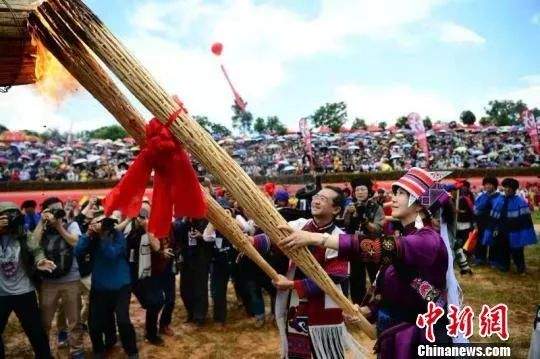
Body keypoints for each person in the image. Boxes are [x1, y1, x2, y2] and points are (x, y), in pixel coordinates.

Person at [279, 168, 459, 358]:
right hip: (396, 336)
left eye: (401, 194)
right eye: (395, 192)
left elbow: (377, 246)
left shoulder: (427, 240)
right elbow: (396, 288)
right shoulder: (406, 236)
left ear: (420, 205)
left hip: (419, 339)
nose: (394, 198)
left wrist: (318, 239)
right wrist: (368, 310)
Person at [252, 186, 360, 358]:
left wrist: (292, 284)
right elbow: (274, 238)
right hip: (297, 306)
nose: (316, 200)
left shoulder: (339, 238)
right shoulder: (299, 225)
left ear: (336, 209)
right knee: (297, 353)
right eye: (316, 196)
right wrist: (251, 241)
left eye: (323, 199)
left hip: (325, 309)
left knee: (326, 354)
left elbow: (334, 278)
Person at [74, 212, 138, 358]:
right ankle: (100, 349)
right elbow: (78, 251)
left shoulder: (118, 236)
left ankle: (132, 350)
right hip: (100, 286)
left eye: (107, 223)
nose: (104, 226)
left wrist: (103, 237)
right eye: (100, 222)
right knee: (95, 322)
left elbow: (112, 255)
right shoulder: (92, 237)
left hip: (121, 285)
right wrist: (88, 234)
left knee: (122, 319)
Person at [0, 202, 56, 359]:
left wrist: (40, 261)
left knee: (36, 331)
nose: (10, 220)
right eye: (6, 216)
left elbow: (36, 249)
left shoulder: (24, 234)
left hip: (24, 292)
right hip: (1, 294)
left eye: (13, 216)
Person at [32, 197, 84, 358]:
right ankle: (43, 352)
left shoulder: (71, 224)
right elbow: (33, 243)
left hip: (71, 279)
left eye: (59, 208)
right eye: (53, 209)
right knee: (45, 322)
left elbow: (75, 242)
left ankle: (77, 351)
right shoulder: (42, 226)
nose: (58, 212)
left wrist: (59, 225)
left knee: (74, 320)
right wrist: (42, 222)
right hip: (48, 282)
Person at [343, 177, 384, 305]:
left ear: (369, 192)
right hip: (355, 246)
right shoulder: (350, 207)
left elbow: (378, 228)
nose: (360, 192)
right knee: (356, 278)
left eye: (363, 189)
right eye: (357, 190)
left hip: (372, 245)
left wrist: (365, 221)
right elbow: (344, 225)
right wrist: (348, 214)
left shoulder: (376, 207)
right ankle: (358, 305)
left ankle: (378, 305)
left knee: (375, 276)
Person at [483, 178, 537, 274]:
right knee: (502, 248)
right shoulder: (499, 200)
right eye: (505, 188)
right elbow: (494, 215)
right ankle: (504, 266)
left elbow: (525, 219)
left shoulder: (520, 201)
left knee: (517, 250)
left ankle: (520, 268)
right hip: (501, 230)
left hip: (515, 231)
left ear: (514, 190)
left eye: (509, 188)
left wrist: (522, 233)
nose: (507, 190)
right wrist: (494, 228)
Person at [175, 217, 213, 327]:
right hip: (186, 260)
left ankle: (200, 316)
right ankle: (190, 313)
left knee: (200, 288)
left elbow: (211, 239)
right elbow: (177, 236)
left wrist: (201, 236)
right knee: (185, 289)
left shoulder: (204, 221)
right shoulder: (183, 222)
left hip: (200, 259)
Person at [474, 176, 501, 265]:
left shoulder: (499, 197)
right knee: (480, 240)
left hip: (494, 223)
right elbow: (476, 209)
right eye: (486, 184)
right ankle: (480, 258)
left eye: (489, 184)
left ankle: (493, 260)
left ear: (494, 186)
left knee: (494, 242)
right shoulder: (481, 197)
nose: (487, 186)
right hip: (481, 222)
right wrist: (475, 222)